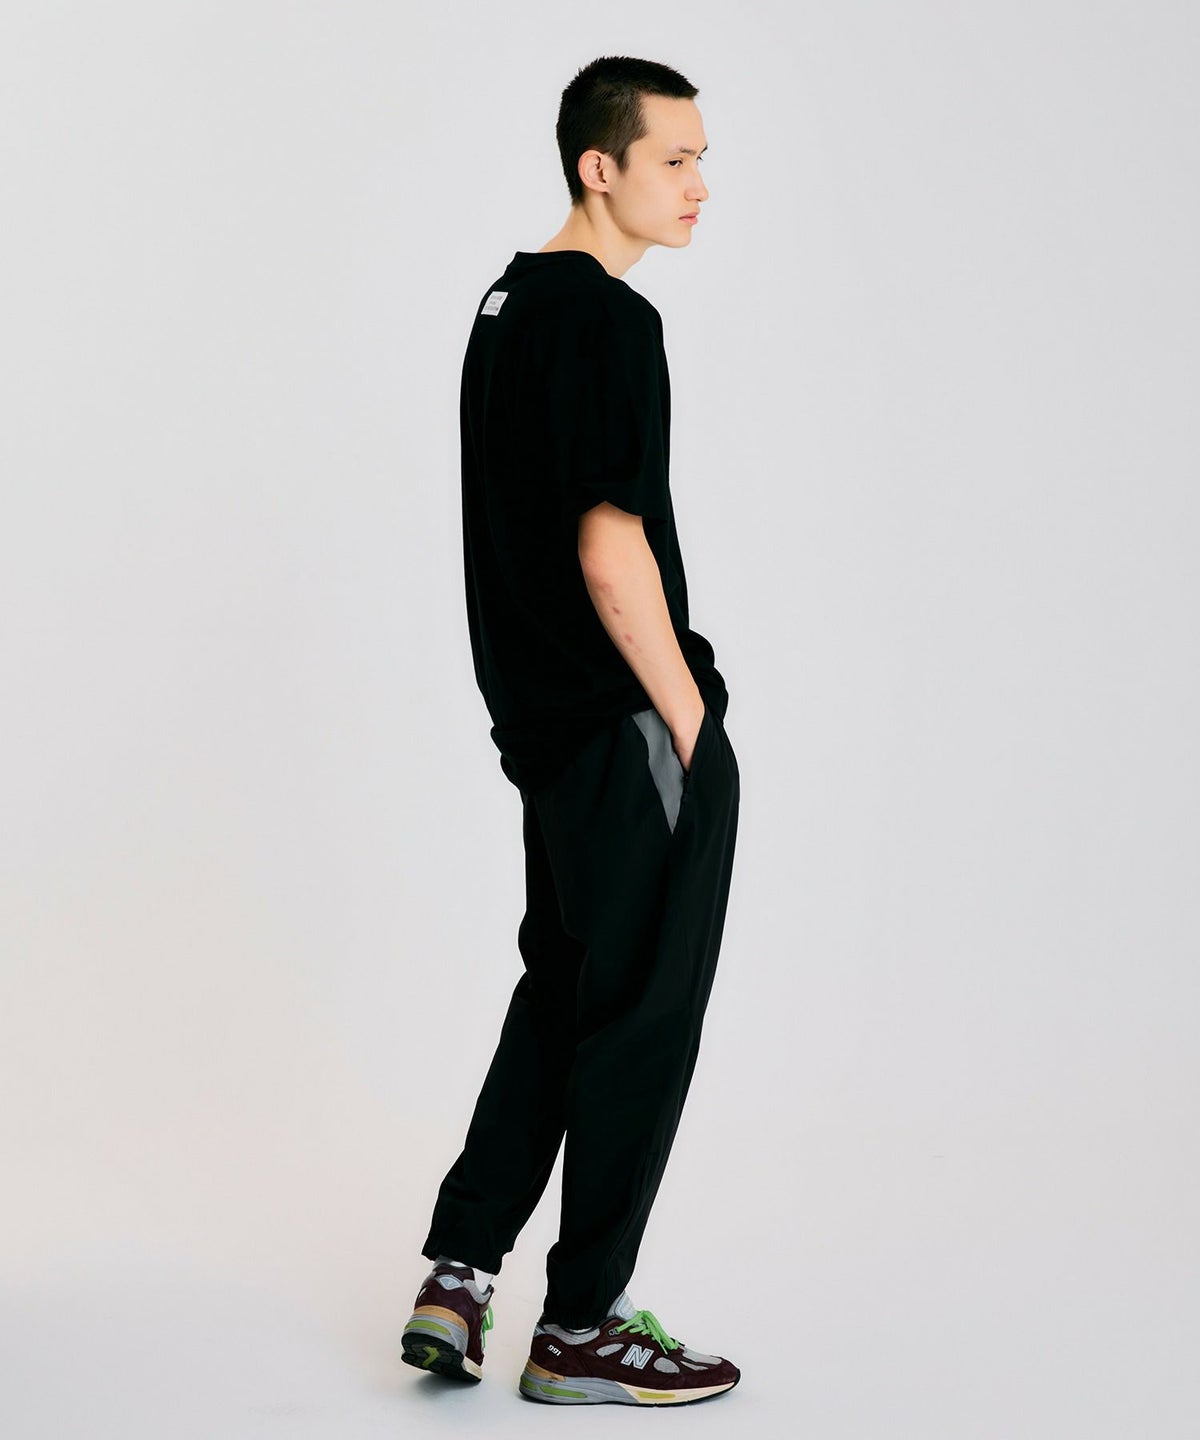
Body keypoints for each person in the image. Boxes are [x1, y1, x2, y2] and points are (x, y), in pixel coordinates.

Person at [401, 54, 741, 1407]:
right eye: (675, 159)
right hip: (622, 724)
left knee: (561, 993)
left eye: (704, 159)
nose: (700, 186)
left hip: (543, 734)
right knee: (643, 1020)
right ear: (600, 168)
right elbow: (610, 550)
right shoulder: (607, 319)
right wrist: (694, 725)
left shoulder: (506, 306)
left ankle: (458, 1276)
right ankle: (583, 1327)